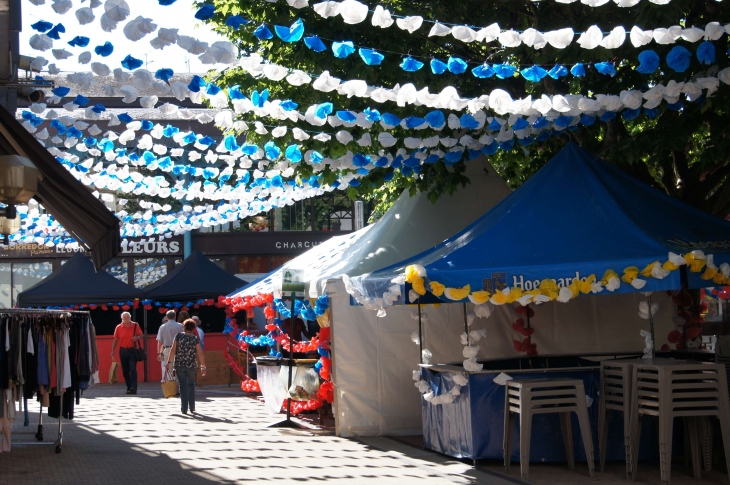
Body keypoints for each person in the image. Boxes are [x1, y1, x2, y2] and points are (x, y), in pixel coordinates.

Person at [166, 319, 206, 415]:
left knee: (182, 385)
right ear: (193, 328)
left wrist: (169, 362)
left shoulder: (178, 336)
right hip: (191, 365)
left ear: (184, 327)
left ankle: (184, 408)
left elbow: (173, 350)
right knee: (191, 385)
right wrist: (203, 366)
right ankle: (192, 406)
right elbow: (200, 353)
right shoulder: (195, 338)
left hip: (179, 364)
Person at [110, 312, 143, 395]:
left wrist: (137, 337)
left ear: (130, 317)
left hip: (132, 350)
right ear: (122, 318)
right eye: (124, 317)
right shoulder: (118, 327)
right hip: (122, 350)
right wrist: (113, 350)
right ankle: (129, 387)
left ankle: (133, 387)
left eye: (127, 317)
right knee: (125, 370)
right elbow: (115, 340)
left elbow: (141, 334)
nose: (126, 318)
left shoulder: (135, 325)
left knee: (133, 369)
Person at [157, 310, 182, 383]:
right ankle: (177, 386)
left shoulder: (163, 327)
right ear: (175, 317)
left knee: (168, 367)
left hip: (167, 348)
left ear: (167, 317)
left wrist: (159, 352)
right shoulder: (180, 326)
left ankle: (171, 386)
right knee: (178, 367)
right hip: (178, 349)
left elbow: (160, 341)